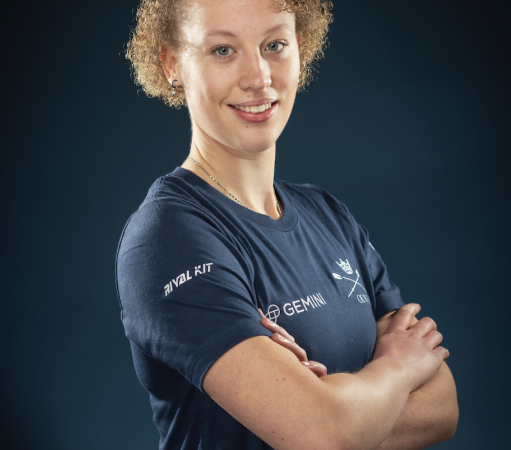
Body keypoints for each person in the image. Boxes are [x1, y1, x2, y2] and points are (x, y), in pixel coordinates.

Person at [115, 0, 459, 449]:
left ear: (300, 46)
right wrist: (399, 366)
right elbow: (322, 436)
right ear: (172, 62)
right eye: (223, 50)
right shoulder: (167, 239)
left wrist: (333, 406)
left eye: (274, 45)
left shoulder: (328, 215)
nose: (258, 77)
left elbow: (442, 409)